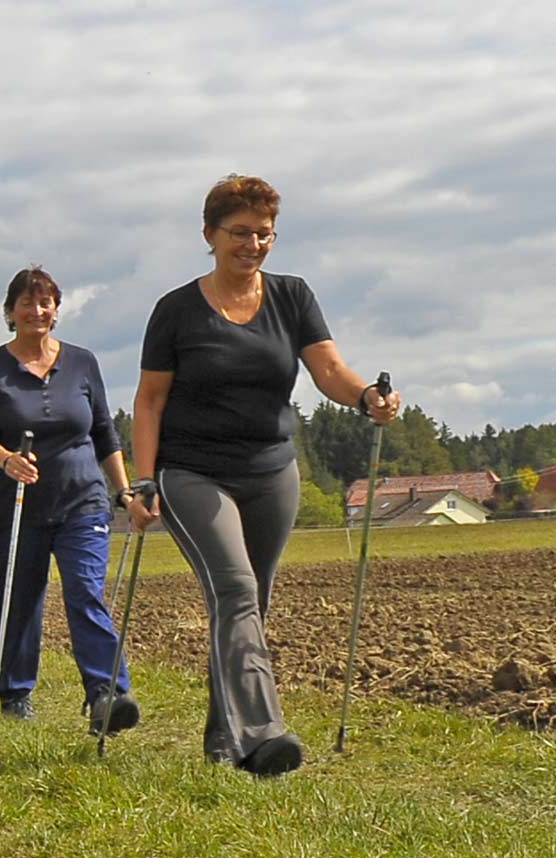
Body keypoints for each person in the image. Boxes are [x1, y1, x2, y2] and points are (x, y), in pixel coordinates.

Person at [126, 175, 402, 777]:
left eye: (264, 234)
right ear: (209, 235)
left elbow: (328, 369)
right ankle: (262, 736)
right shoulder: (176, 310)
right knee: (236, 591)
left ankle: (223, 738)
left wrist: (364, 398)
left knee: (250, 606)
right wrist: (141, 482)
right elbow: (148, 402)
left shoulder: (292, 296)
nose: (252, 244)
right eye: (239, 233)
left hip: (272, 470)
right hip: (191, 473)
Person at [0, 266, 141, 735]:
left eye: (45, 302)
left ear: (56, 311)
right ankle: (16, 693)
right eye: (26, 302)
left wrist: (123, 490)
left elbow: (105, 431)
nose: (36, 311)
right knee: (18, 601)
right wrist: (7, 461)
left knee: (85, 592)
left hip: (83, 501)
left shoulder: (83, 363)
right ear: (10, 312)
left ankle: (107, 693)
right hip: (17, 506)